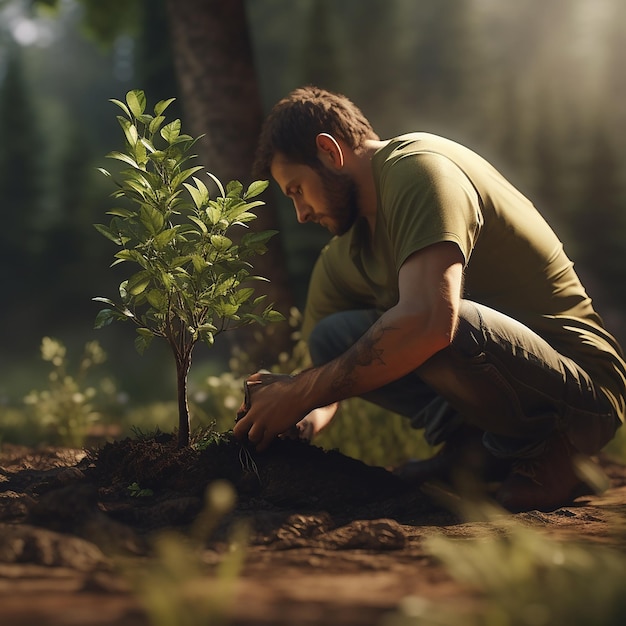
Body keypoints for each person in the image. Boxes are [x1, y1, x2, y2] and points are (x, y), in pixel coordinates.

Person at [233, 86, 626, 512]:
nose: (301, 213)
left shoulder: (419, 169)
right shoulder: (343, 253)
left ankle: (552, 449)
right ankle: (473, 448)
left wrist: (299, 391)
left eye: (296, 190)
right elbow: (323, 377)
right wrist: (298, 418)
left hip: (584, 395)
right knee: (332, 337)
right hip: (490, 382)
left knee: (436, 322)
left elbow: (430, 321)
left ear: (330, 152)